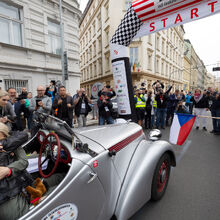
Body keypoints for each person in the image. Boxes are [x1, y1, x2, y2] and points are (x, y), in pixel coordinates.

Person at [0, 122, 32, 220]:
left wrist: (9, 170)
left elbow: (23, 161)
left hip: (17, 184)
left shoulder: (12, 143)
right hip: (5, 195)